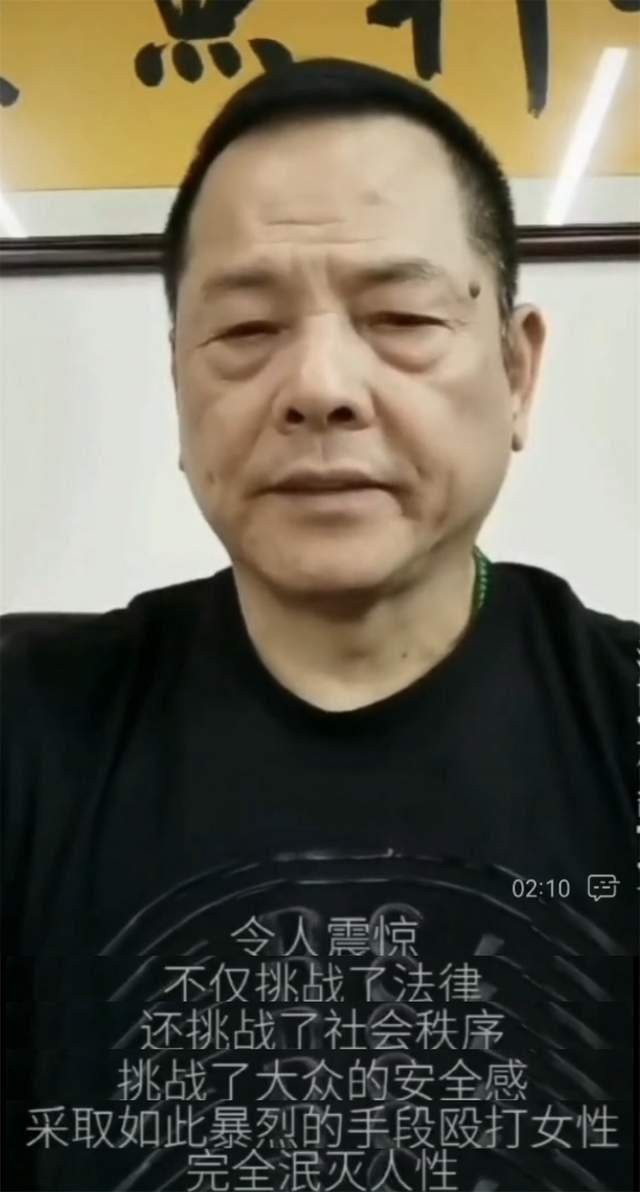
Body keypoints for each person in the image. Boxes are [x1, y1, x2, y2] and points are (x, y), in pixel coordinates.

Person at [2, 58, 636, 1192]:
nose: (320, 386)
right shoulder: (28, 727)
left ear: (517, 369)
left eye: (401, 317)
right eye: (246, 327)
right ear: (179, 383)